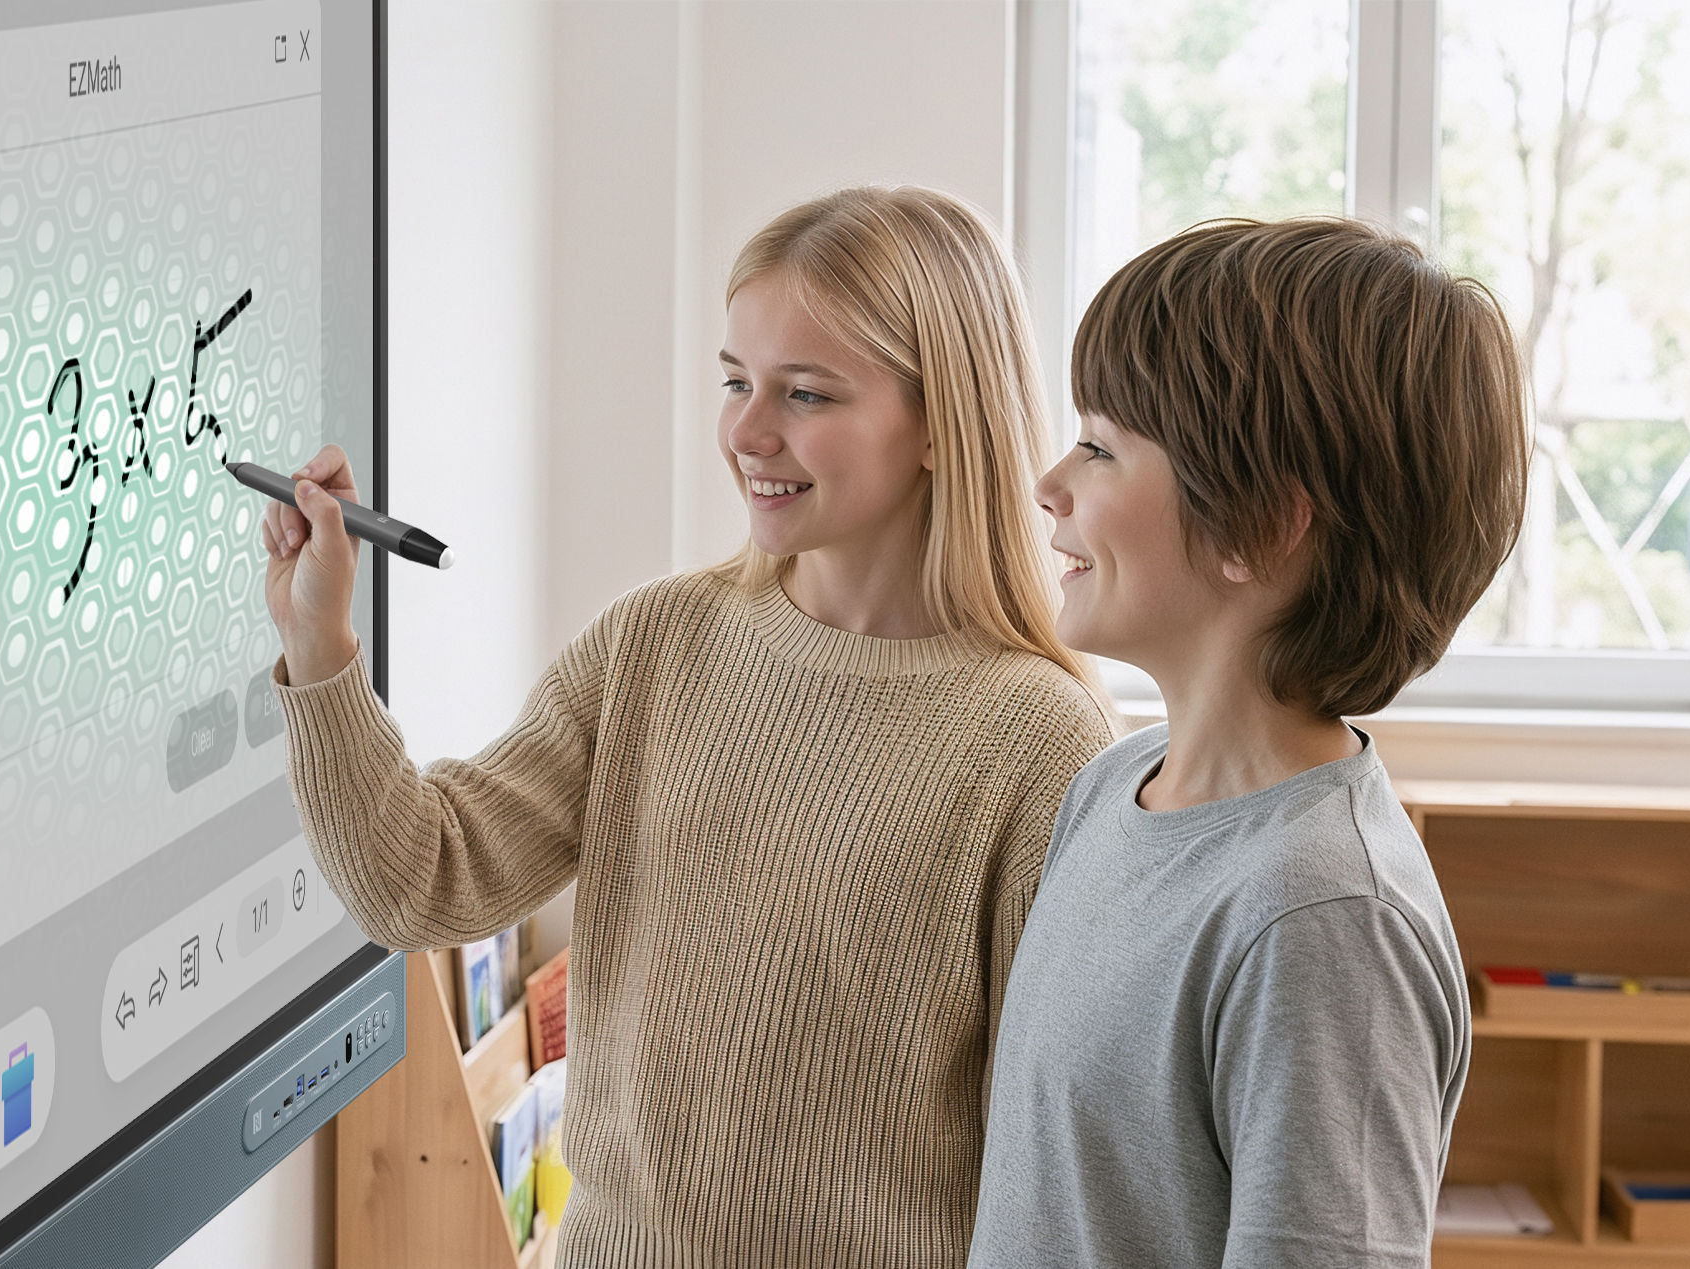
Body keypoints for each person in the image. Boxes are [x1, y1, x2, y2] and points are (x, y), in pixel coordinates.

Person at [256, 186, 1111, 1265]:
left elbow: (1057, 1178)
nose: (747, 432)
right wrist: (320, 643)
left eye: (805, 394)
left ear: (942, 419)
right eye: (735, 381)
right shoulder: (654, 646)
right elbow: (416, 880)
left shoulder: (1043, 743)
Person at [968, 217, 1531, 1268]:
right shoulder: (1111, 786)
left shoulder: (1323, 918)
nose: (1050, 481)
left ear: (1264, 525)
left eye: (1100, 446)